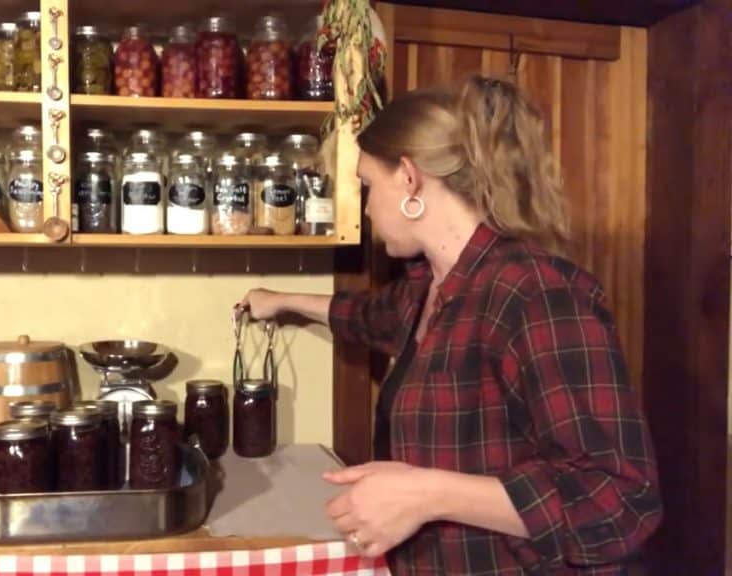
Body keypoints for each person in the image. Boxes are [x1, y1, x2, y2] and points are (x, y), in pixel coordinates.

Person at [237, 76, 662, 575]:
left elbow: (621, 496)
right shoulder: (428, 289)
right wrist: (277, 300)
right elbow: (367, 315)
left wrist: (427, 493)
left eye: (369, 186)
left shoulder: (536, 292)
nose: (368, 209)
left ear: (410, 179)